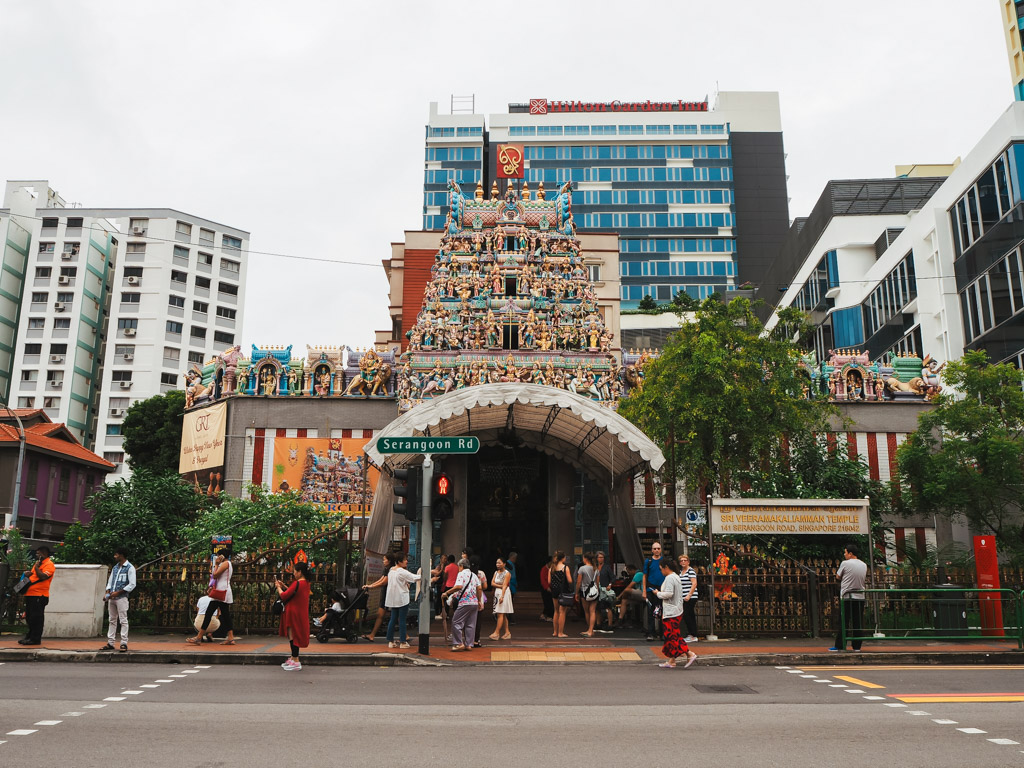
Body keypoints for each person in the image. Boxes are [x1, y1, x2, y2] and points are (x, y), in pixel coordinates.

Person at [654, 558, 697, 669]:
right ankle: (672, 661)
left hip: (671, 612)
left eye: (661, 569)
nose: (661, 571)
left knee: (672, 636)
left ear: (666, 568)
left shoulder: (669, 578)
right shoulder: (676, 577)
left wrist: (658, 593)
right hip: (676, 609)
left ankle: (689, 653)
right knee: (671, 636)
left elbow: (668, 594)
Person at [831, 543, 868, 652]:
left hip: (847, 596)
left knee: (844, 621)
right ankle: (857, 646)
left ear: (850, 553)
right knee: (857, 622)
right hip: (860, 596)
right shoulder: (864, 564)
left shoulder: (845, 563)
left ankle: (840, 645)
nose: (844, 554)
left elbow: (838, 576)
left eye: (845, 552)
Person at [194, 551, 237, 645]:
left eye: (218, 556)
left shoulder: (225, 563)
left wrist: (216, 564)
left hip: (221, 592)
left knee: (209, 613)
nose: (216, 557)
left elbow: (215, 575)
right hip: (221, 591)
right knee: (225, 615)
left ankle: (199, 637)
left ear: (221, 556)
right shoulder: (226, 564)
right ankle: (230, 637)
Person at [276, 560, 311, 670]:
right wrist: (285, 586)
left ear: (300, 572)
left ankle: (296, 660)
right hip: (300, 612)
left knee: (293, 636)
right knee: (294, 635)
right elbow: (294, 593)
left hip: (293, 612)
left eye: (295, 571)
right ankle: (293, 658)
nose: (294, 573)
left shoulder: (298, 583)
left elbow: (284, 596)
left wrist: (278, 587)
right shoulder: (306, 583)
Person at [100, 547, 136, 652]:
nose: (115, 556)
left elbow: (132, 584)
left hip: (122, 598)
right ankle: (110, 642)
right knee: (112, 620)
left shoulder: (130, 568)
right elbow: (110, 581)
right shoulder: (116, 567)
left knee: (123, 620)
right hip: (112, 597)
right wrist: (107, 592)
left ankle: (124, 643)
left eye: (116, 554)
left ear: (121, 555)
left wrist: (119, 592)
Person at [442, 558, 482, 651]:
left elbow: (459, 586)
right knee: (471, 624)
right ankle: (469, 644)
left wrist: (447, 592)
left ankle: (458, 643)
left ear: (461, 566)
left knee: (456, 622)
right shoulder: (474, 575)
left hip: (464, 602)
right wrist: (479, 600)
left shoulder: (461, 574)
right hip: (474, 602)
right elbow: (479, 588)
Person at [19, 545, 55, 646]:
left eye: (38, 553)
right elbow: (34, 576)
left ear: (44, 554)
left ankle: (35, 639)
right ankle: (29, 636)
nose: (36, 555)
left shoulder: (49, 564)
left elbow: (43, 576)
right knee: (30, 617)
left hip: (39, 595)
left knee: (36, 618)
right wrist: (28, 574)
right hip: (31, 594)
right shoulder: (38, 563)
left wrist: (37, 568)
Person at [385, 552, 421, 649]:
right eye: (405, 560)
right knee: (402, 620)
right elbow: (414, 577)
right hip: (402, 599)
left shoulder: (391, 570)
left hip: (393, 599)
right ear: (399, 562)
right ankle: (403, 642)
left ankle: (390, 641)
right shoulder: (401, 571)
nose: (406, 561)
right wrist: (428, 576)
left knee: (393, 619)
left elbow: (398, 582)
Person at [361, 552, 392, 641]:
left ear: (389, 561)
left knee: (388, 615)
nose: (383, 561)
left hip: (388, 594)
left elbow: (383, 582)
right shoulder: (387, 569)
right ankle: (372, 634)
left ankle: (404, 636)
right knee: (382, 615)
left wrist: (370, 586)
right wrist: (369, 585)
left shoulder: (391, 570)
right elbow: (381, 579)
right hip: (386, 594)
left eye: (384, 559)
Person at [641, 541, 665, 641]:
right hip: (650, 589)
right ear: (652, 550)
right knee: (650, 611)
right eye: (654, 548)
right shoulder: (648, 561)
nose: (656, 550)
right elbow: (644, 576)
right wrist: (644, 591)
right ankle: (650, 633)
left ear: (661, 550)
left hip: (662, 589)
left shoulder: (664, 561)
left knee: (662, 611)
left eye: (658, 548)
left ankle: (662, 633)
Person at [549, 550, 573, 639]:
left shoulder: (551, 568)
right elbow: (570, 580)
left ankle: (555, 632)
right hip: (563, 591)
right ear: (562, 558)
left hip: (554, 590)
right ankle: (560, 632)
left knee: (556, 611)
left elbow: (549, 581)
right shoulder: (565, 568)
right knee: (562, 612)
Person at [489, 557, 514, 640]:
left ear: (504, 564)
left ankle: (496, 633)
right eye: (497, 563)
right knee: (502, 614)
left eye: (499, 563)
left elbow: (505, 586)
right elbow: (492, 583)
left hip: (504, 594)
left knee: (500, 613)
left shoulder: (507, 573)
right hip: (497, 593)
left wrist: (502, 596)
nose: (497, 565)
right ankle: (507, 632)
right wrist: (500, 586)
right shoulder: (496, 572)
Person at [677, 554, 699, 643]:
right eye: (681, 560)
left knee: (687, 615)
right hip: (684, 596)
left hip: (690, 596)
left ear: (688, 562)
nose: (683, 562)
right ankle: (692, 634)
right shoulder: (681, 572)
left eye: (685, 560)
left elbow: (694, 583)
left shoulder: (691, 571)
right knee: (689, 615)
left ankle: (693, 634)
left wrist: (689, 595)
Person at [576, 552, 598, 638]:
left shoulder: (582, 568)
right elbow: (597, 582)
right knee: (593, 611)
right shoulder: (596, 569)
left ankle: (589, 630)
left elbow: (578, 582)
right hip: (595, 592)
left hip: (585, 591)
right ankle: (591, 630)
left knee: (587, 611)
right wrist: (597, 592)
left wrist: (576, 592)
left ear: (585, 559)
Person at [539, 556, 554, 622]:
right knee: (548, 603)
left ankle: (544, 615)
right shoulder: (544, 569)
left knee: (549, 603)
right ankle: (549, 616)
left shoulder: (552, 569)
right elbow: (543, 580)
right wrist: (547, 587)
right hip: (545, 588)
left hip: (551, 587)